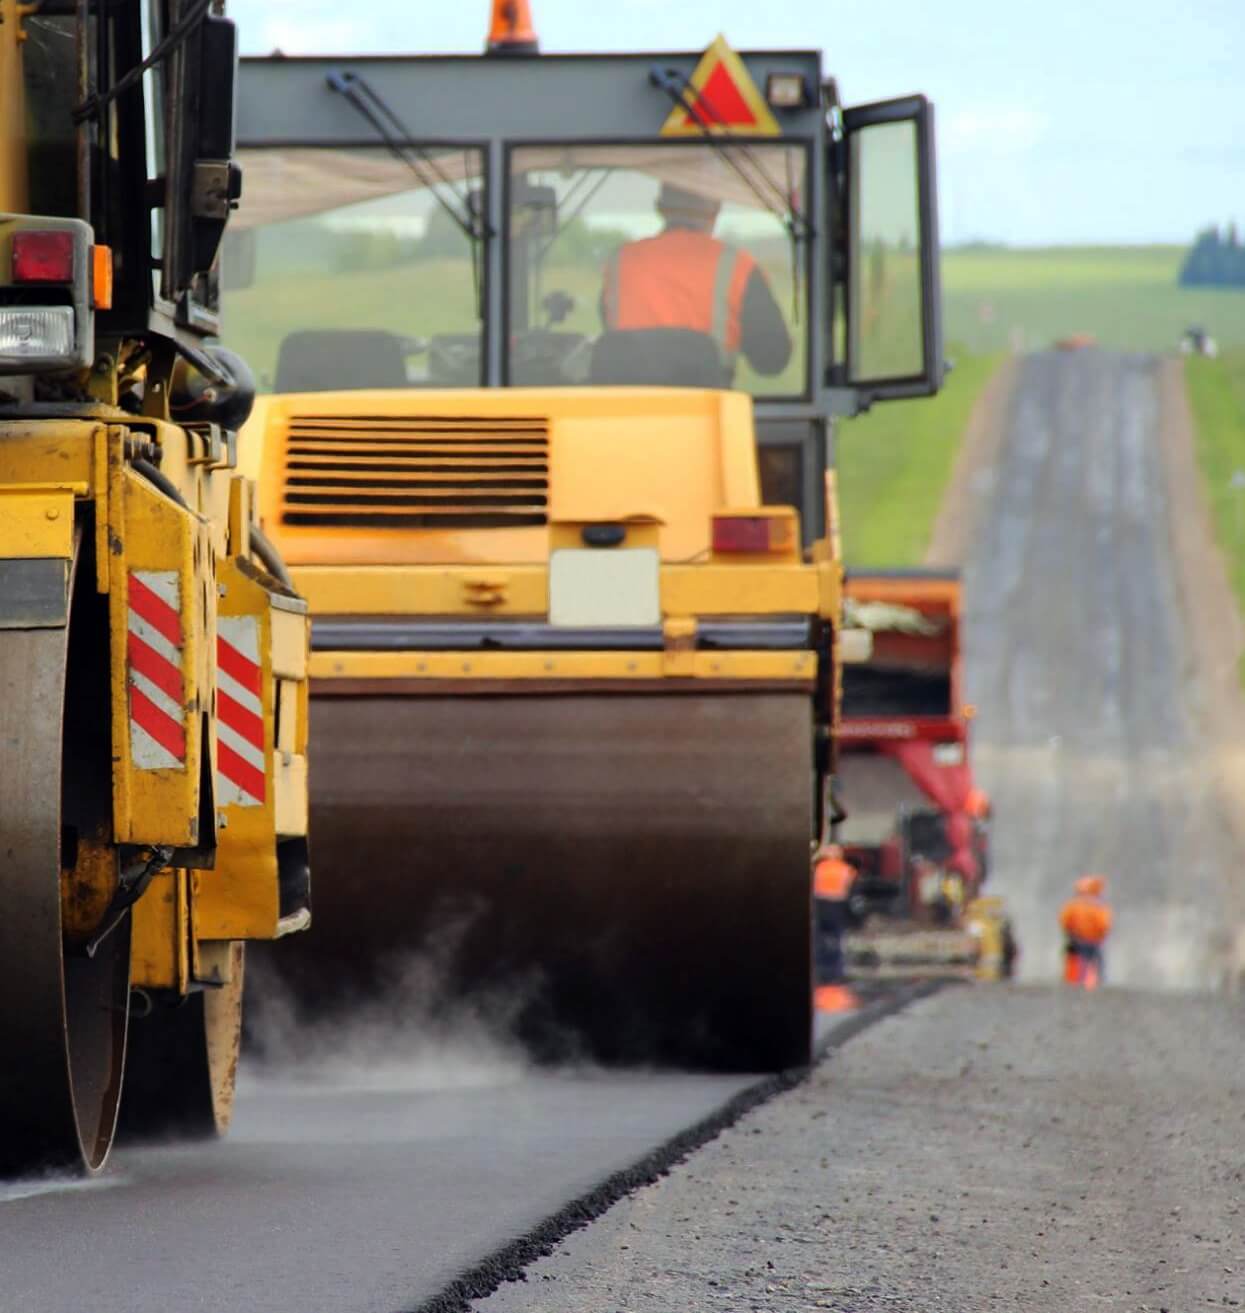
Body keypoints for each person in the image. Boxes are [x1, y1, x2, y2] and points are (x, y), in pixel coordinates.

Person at [600, 182, 792, 380]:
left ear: (660, 207)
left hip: (627, 406)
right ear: (716, 210)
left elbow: (610, 329)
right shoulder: (739, 267)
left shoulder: (620, 260)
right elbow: (772, 359)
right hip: (706, 407)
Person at [812, 842, 856, 985]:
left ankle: (820, 971)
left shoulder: (819, 868)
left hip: (821, 907)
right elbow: (852, 890)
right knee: (837, 940)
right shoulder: (846, 870)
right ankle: (837, 972)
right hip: (837, 907)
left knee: (820, 941)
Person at [1058, 874, 1112, 989]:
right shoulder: (1098, 905)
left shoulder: (1074, 904)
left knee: (1080, 963)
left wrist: (1070, 933)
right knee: (1096, 963)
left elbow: (1065, 921)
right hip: (1093, 941)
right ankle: (1096, 983)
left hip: (1078, 939)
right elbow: (1104, 924)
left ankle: (1078, 983)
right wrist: (1101, 935)